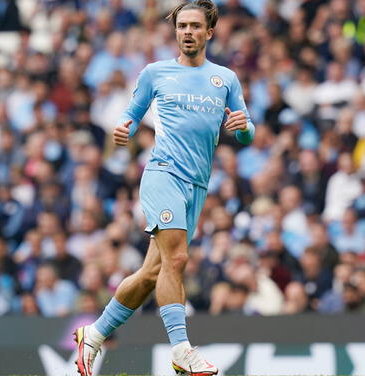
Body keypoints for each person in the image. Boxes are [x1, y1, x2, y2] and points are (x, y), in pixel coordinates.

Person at [72, 2, 255, 376]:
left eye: (194, 26)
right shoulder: (156, 73)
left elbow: (246, 134)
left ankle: (93, 333)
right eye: (181, 25)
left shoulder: (225, 79)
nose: (187, 31)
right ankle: (181, 349)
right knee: (177, 260)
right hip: (162, 174)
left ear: (210, 32)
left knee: (153, 273)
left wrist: (244, 127)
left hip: (197, 184)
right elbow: (130, 115)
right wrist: (123, 128)